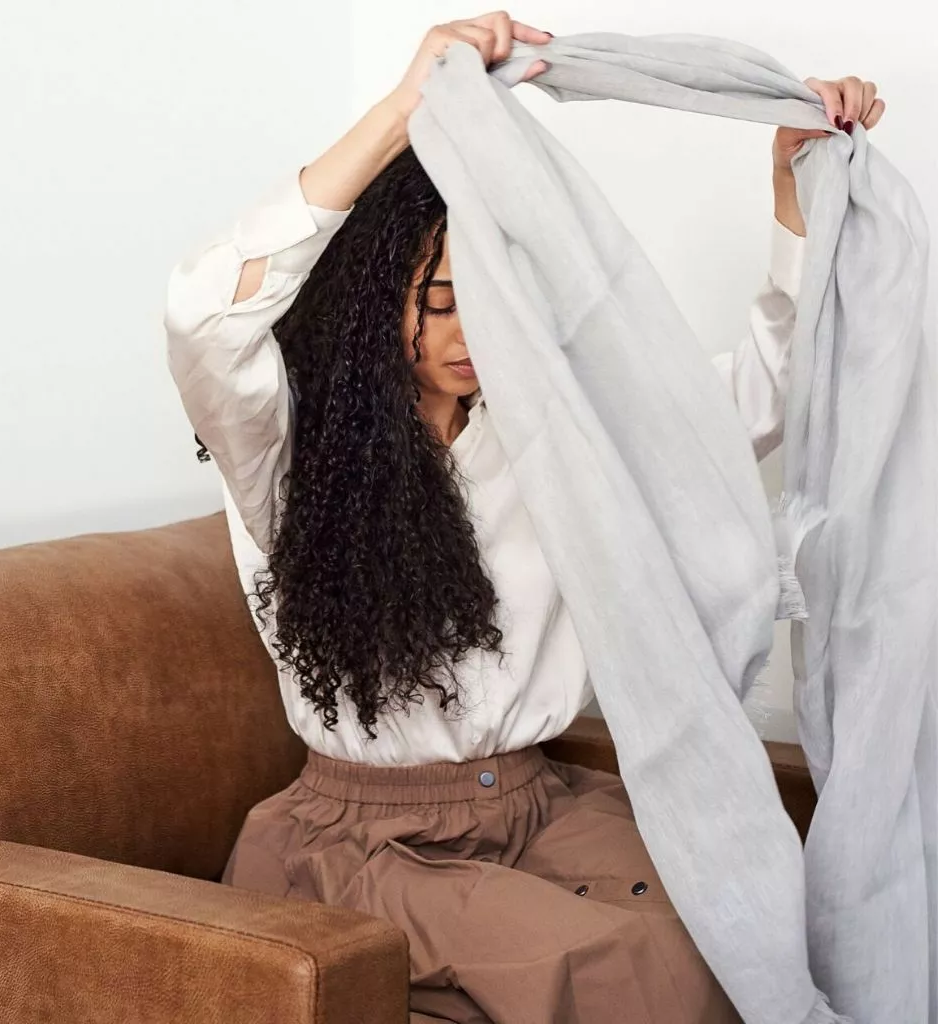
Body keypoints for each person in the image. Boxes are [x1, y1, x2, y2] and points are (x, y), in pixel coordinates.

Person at [164, 13, 886, 1023]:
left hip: (536, 805)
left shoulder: (549, 429)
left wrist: (790, 195)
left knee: (751, 926)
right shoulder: (287, 452)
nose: (473, 332)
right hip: (362, 848)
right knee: (644, 971)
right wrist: (404, 109)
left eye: (492, 299)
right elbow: (206, 316)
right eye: (443, 298)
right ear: (374, 301)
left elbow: (735, 412)